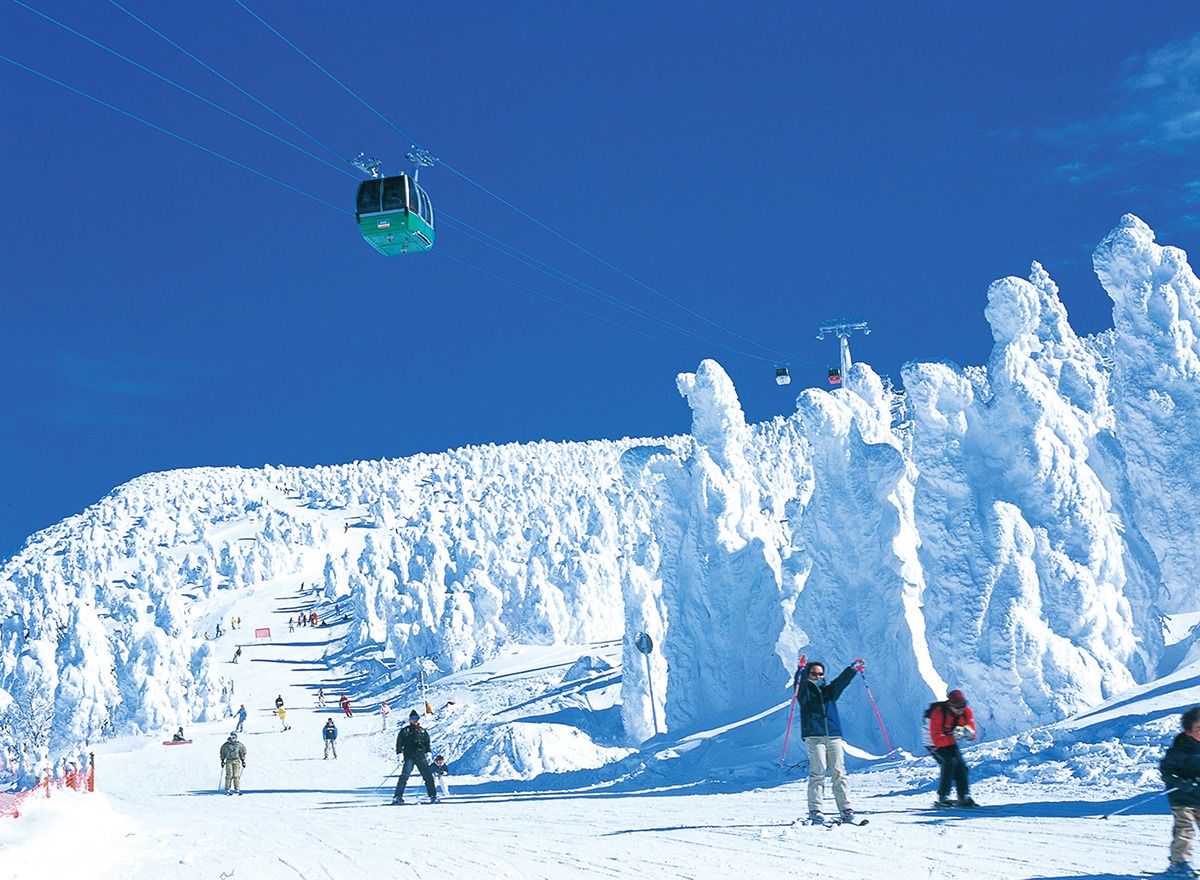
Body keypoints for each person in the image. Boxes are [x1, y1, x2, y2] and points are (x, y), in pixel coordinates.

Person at [795, 658, 862, 823]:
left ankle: (846, 809)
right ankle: (815, 810)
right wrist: (801, 670)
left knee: (839, 772)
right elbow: (799, 683)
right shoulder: (804, 692)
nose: (818, 677)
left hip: (833, 736)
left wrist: (852, 669)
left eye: (820, 674)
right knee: (818, 772)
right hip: (814, 736)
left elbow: (841, 682)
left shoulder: (829, 691)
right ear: (808, 674)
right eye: (814, 674)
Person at [1161, 706, 1200, 876]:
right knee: (1184, 829)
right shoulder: (1178, 751)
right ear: (1188, 732)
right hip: (1182, 797)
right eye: (1199, 729)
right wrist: (1181, 782)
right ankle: (1180, 862)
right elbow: (1166, 771)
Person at [928, 689, 978, 808]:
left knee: (961, 766)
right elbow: (936, 739)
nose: (961, 709)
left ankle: (963, 796)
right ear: (950, 705)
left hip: (949, 740)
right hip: (932, 741)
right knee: (950, 763)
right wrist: (954, 735)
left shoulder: (966, 712)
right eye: (957, 706)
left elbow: (972, 730)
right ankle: (943, 797)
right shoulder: (938, 713)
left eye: (963, 705)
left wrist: (969, 733)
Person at [393, 710, 437, 804]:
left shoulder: (422, 731)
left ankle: (433, 795)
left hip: (421, 756)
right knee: (404, 776)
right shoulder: (405, 731)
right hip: (409, 757)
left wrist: (428, 752)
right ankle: (397, 796)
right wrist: (399, 753)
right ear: (410, 720)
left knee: (428, 777)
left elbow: (427, 743)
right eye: (413, 719)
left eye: (416, 718)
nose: (415, 720)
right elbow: (399, 743)